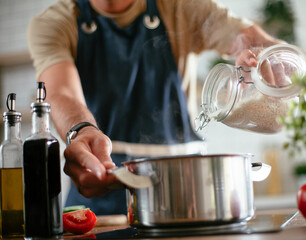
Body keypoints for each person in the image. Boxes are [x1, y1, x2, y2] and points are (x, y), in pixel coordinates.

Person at [27, 0, 284, 215]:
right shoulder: (55, 23)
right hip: (101, 186)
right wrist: (81, 131)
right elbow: (60, 91)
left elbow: (247, 38)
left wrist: (260, 56)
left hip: (186, 196)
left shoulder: (180, 6)